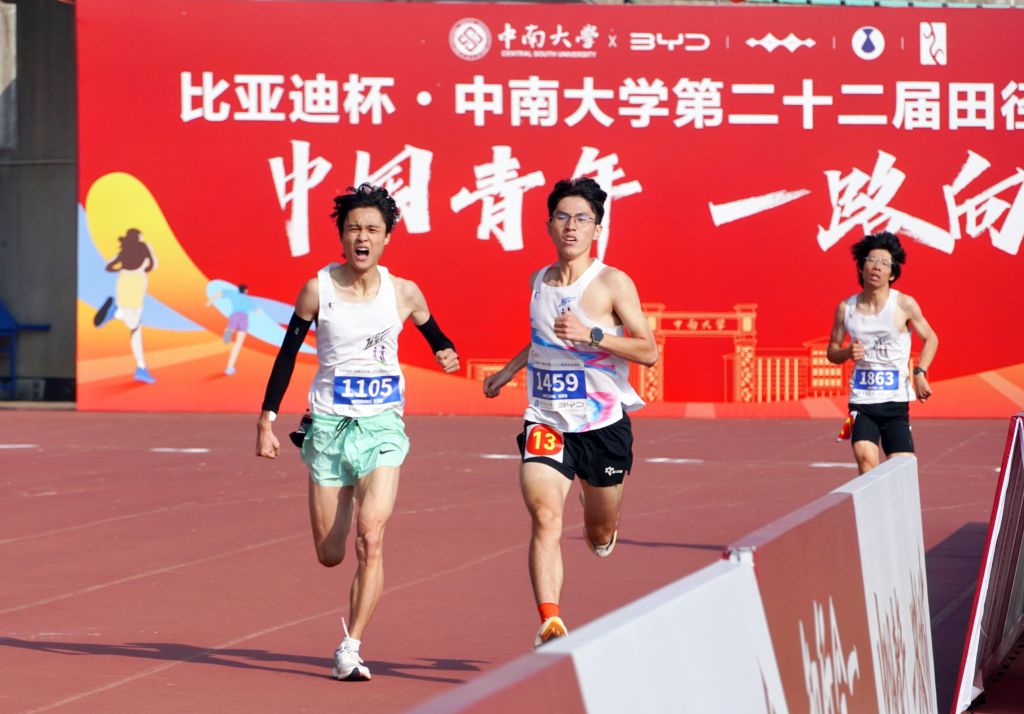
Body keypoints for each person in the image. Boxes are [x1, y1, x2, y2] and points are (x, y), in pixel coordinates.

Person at [255, 184, 459, 681]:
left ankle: (351, 647)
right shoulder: (317, 290)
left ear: (387, 237)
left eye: (371, 229)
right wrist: (266, 419)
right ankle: (339, 484)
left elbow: (434, 332)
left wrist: (445, 351)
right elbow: (286, 355)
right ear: (342, 237)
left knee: (371, 535)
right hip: (328, 427)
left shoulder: (403, 292)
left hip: (382, 425)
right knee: (330, 554)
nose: (362, 238)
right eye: (353, 229)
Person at [482, 177, 658, 648]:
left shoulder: (612, 283)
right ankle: (551, 621)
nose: (571, 226)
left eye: (582, 219)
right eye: (563, 217)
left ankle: (602, 518)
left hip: (601, 426)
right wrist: (507, 371)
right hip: (547, 420)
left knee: (599, 530)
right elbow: (542, 340)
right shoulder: (537, 281)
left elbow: (648, 351)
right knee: (545, 516)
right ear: (549, 225)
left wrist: (593, 334)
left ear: (597, 229)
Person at [826, 231, 938, 475]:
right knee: (866, 462)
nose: (877, 266)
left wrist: (920, 372)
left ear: (892, 274)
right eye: (872, 260)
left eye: (885, 263)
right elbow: (832, 351)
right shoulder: (846, 308)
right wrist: (847, 352)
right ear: (861, 267)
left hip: (895, 402)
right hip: (862, 401)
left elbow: (931, 338)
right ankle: (872, 502)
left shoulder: (904, 304)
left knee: (902, 470)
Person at [93, 228, 158, 384]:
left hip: (123, 281)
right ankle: (116, 313)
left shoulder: (124, 250)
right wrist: (144, 268)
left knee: (134, 324)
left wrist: (121, 268)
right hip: (137, 281)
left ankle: (141, 368)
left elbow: (109, 267)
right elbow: (152, 264)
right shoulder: (143, 246)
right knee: (134, 326)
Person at [206, 283, 258, 375]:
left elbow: (220, 293)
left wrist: (210, 301)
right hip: (243, 319)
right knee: (238, 343)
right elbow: (256, 311)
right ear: (246, 291)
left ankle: (227, 337)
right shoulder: (248, 300)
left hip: (234, 317)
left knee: (228, 334)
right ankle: (229, 367)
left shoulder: (233, 294)